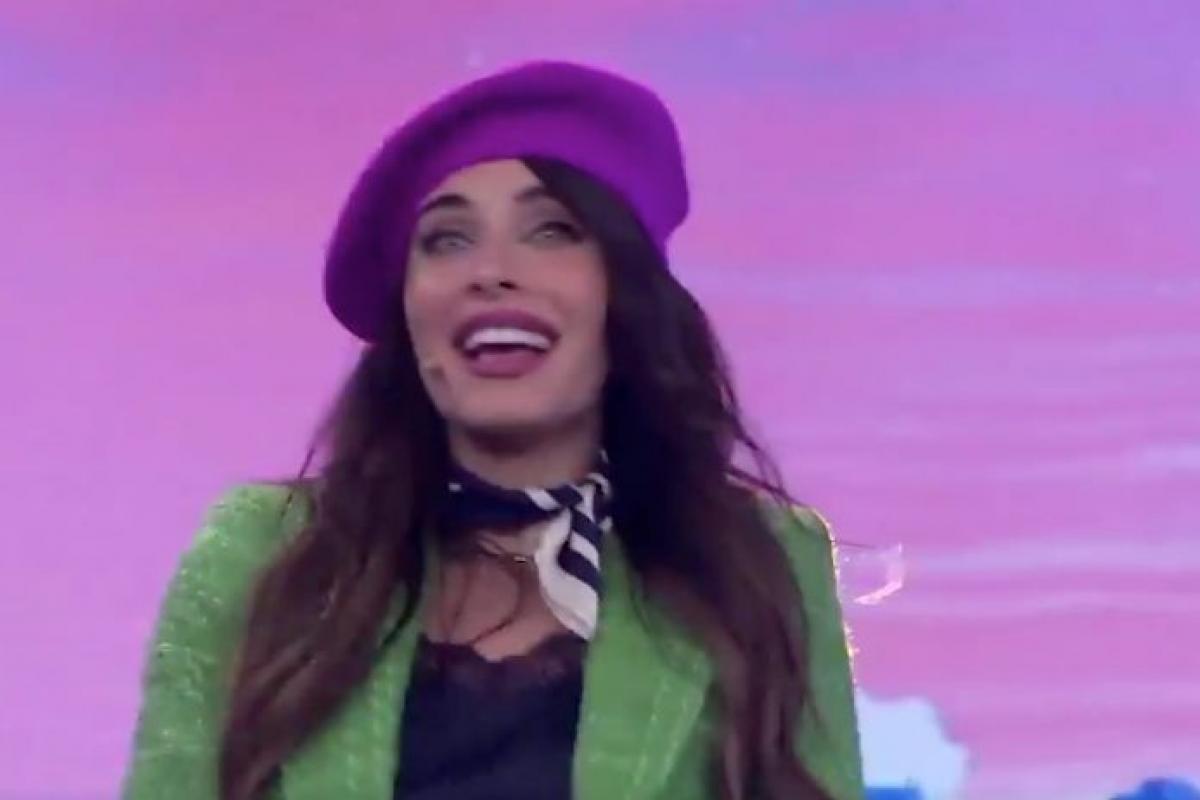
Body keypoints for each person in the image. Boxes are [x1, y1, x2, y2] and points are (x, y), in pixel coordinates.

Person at [121, 60, 864, 800]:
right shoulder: (266, 557)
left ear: (626, 294)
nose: (491, 271)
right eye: (447, 240)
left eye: (552, 230)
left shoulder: (758, 564)